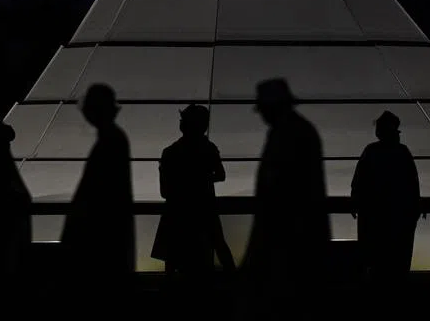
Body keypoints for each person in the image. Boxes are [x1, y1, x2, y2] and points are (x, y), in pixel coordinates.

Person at [243, 79, 330, 316]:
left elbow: (277, 195)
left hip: (288, 242)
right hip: (299, 241)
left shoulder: (286, 135)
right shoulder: (299, 131)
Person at [60, 84, 135, 287]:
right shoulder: (114, 139)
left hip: (100, 238)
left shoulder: (110, 141)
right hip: (107, 237)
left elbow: (97, 192)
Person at [151, 104, 234, 278]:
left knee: (172, 255)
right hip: (205, 209)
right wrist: (201, 180)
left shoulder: (170, 153)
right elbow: (221, 175)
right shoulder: (209, 149)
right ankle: (234, 285)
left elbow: (165, 192)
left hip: (177, 211)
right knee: (219, 245)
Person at [351, 111, 422, 281]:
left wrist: (356, 201)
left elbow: (358, 181)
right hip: (399, 221)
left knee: (376, 266)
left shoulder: (371, 151)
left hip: (374, 219)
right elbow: (413, 186)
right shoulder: (403, 153)